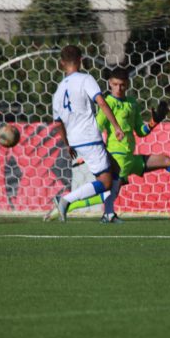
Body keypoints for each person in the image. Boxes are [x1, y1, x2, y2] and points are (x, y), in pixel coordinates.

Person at [45, 67, 170, 223]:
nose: (119, 88)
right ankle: (80, 208)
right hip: (117, 157)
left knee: (164, 161)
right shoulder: (108, 104)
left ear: (127, 85)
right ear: (110, 84)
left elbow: (141, 131)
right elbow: (96, 128)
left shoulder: (132, 103)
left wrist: (154, 121)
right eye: (115, 84)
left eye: (122, 85)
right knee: (109, 191)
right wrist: (88, 153)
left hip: (130, 157)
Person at [43, 45, 125, 223]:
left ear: (61, 63)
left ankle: (109, 214)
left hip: (75, 139)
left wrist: (67, 144)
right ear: (81, 60)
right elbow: (101, 103)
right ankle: (65, 200)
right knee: (106, 182)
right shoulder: (85, 79)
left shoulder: (57, 91)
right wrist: (117, 127)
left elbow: (58, 123)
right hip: (89, 137)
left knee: (116, 169)